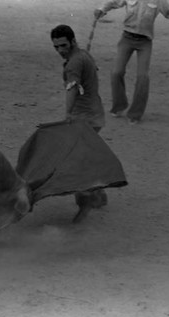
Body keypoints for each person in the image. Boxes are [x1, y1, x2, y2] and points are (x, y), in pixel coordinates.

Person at [94, 0, 169, 124]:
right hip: (127, 38)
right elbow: (113, 2)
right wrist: (101, 9)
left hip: (145, 42)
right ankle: (119, 105)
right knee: (116, 72)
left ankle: (135, 114)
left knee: (143, 77)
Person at [50, 24, 107, 223]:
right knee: (83, 157)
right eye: (56, 47)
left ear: (73, 41)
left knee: (76, 164)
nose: (60, 51)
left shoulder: (74, 63)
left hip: (84, 119)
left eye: (63, 45)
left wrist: (67, 114)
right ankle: (99, 195)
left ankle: (85, 207)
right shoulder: (83, 55)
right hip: (94, 114)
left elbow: (72, 89)